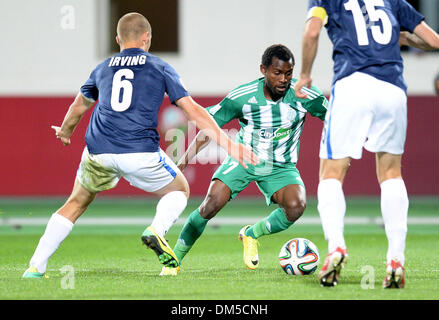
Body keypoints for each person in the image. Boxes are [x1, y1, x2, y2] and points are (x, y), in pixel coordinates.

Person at [22, 12, 258, 279]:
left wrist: (66, 131)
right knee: (179, 190)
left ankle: (35, 267)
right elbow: (192, 110)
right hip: (138, 152)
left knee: (75, 203)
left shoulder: (103, 68)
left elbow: (80, 104)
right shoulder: (159, 67)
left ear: (117, 40)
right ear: (147, 38)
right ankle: (157, 229)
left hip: (98, 149)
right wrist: (230, 144)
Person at [294, 0, 439, 288]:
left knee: (331, 173)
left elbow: (312, 32)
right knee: (391, 175)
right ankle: (396, 259)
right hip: (393, 89)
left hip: (353, 84)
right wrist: (397, 36)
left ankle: (336, 247)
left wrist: (305, 75)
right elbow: (432, 41)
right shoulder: (393, 2)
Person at [160, 44, 328, 276]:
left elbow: (332, 118)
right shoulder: (243, 96)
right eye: (277, 73)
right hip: (244, 158)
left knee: (296, 206)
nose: (283, 79)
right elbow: (209, 125)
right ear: (263, 70)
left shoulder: (304, 95)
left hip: (281, 165)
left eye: (288, 73)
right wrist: (184, 160)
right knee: (210, 206)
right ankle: (174, 260)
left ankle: (252, 234)